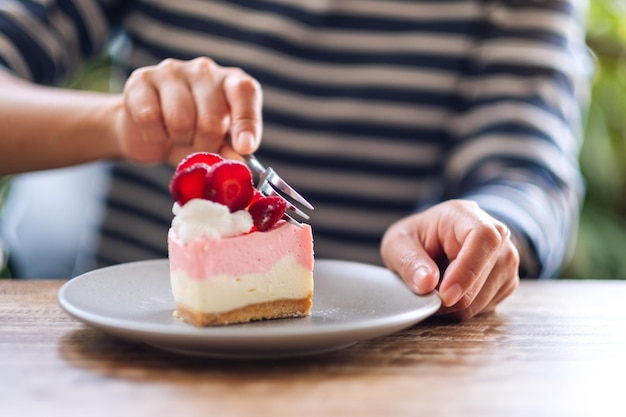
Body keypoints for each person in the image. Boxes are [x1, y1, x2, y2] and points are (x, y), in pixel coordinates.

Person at [0, 0, 591, 320]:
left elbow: (527, 173)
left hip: (381, 359)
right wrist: (117, 125)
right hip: (140, 355)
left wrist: (472, 232)